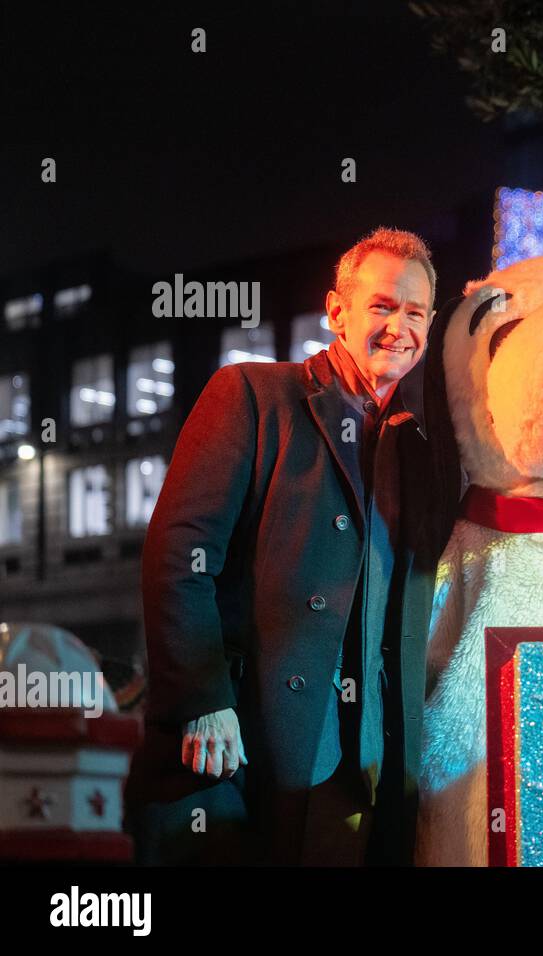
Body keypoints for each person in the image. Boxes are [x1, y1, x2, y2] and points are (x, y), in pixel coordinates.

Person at [125, 228, 462, 865]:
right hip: (253, 743)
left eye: (415, 313)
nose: (399, 327)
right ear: (336, 311)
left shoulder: (422, 450)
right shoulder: (252, 395)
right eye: (382, 307)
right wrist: (203, 701)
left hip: (380, 759)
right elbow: (179, 556)